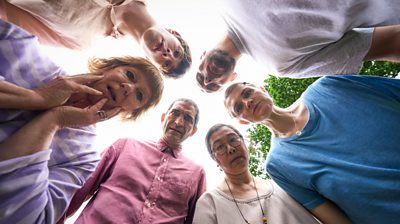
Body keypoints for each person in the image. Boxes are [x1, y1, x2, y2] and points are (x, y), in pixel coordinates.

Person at [0, 19, 164, 224]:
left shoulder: (84, 157)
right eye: (130, 74)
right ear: (109, 67)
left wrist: (55, 119)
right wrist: (35, 98)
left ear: (130, 111)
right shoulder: (25, 50)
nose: (128, 87)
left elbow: (26, 217)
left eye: (139, 95)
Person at [223, 75, 400, 224]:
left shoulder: (326, 87)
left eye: (247, 93)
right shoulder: (278, 164)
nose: (248, 102)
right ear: (243, 121)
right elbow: (332, 217)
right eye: (239, 107)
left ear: (262, 89)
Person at [196, 0, 400, 92]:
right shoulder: (280, 66)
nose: (207, 80)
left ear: (202, 55)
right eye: (214, 86)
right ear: (232, 79)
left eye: (199, 76)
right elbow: (388, 43)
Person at [59, 98, 206, 224]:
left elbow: (197, 220)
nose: (179, 122)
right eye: (175, 113)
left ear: (193, 130)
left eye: (188, 118)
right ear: (163, 117)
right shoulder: (125, 145)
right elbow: (81, 188)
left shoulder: (197, 173)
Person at [0, 0, 192, 78]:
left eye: (166, 64)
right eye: (177, 52)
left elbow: (8, 15)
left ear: (153, 63)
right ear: (173, 33)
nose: (168, 55)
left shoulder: (81, 41)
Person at [193, 123, 325, 224]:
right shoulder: (210, 203)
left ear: (245, 143)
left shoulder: (283, 186)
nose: (230, 149)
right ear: (214, 159)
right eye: (220, 147)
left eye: (233, 139)